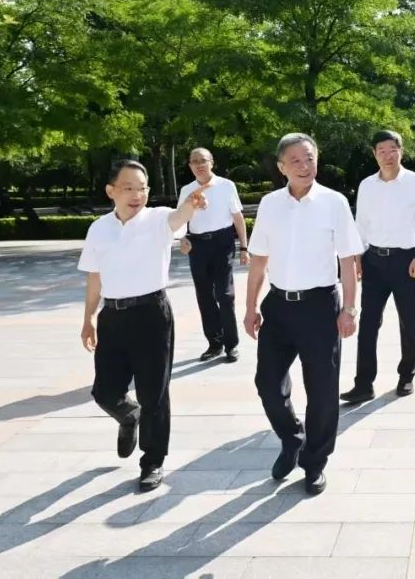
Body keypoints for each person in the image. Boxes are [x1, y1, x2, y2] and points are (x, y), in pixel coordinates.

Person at [243, 133, 364, 495]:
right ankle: (292, 437)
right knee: (267, 384)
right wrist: (250, 307)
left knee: (323, 392)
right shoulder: (269, 205)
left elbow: (348, 261)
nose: (304, 165)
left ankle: (315, 462)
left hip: (320, 307)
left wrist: (349, 308)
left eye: (309, 158)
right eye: (295, 160)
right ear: (281, 167)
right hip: (278, 307)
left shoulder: (334, 202)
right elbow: (259, 260)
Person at [79, 160, 210, 492]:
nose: (137, 195)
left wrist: (191, 205)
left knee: (154, 393)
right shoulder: (98, 229)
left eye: (142, 188)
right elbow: (94, 276)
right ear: (111, 191)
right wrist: (89, 317)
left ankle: (152, 460)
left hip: (151, 314)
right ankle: (128, 415)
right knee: (105, 392)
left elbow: (178, 217)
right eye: (128, 188)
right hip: (112, 316)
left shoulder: (157, 219)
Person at [340, 130, 415, 403]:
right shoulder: (367, 185)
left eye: (392, 149)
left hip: (407, 261)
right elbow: (361, 223)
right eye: (381, 150)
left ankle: (406, 375)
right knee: (369, 322)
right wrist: (358, 256)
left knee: (408, 319)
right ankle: (363, 384)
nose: (387, 155)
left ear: (401, 151)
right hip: (374, 261)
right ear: (374, 154)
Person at [177, 148, 250, 363]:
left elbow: (238, 217)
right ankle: (215, 343)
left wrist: (244, 248)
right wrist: (182, 238)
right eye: (194, 161)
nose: (199, 165)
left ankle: (231, 344)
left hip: (222, 243)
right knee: (204, 296)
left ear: (211, 162)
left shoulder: (226, 186)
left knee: (225, 295)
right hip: (197, 246)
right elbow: (180, 219)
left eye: (203, 160)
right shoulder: (187, 190)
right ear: (190, 166)